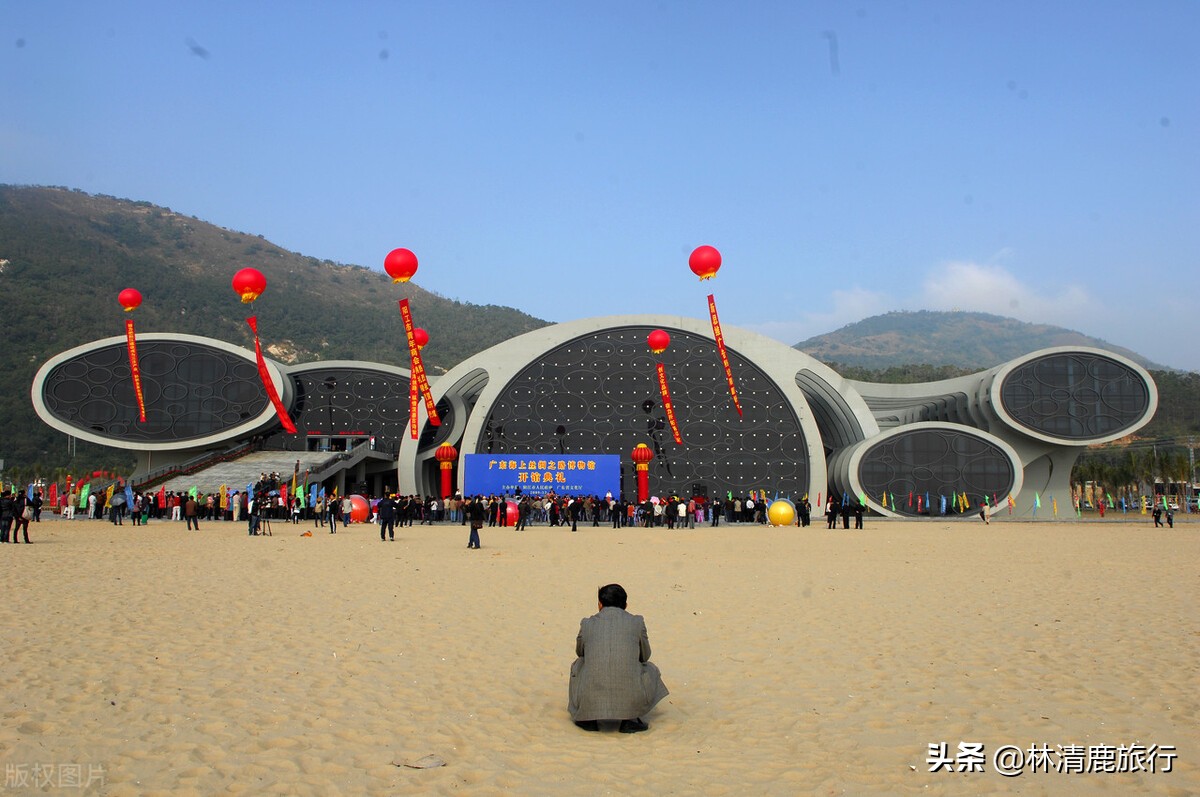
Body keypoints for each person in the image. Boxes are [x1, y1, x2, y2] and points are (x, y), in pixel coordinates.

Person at [568, 584, 669, 733]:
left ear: (600, 605)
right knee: (651, 668)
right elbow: (645, 656)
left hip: (591, 698)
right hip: (630, 699)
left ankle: (588, 717)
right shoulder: (637, 622)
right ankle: (629, 718)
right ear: (626, 605)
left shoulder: (587, 623)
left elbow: (580, 652)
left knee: (578, 664)